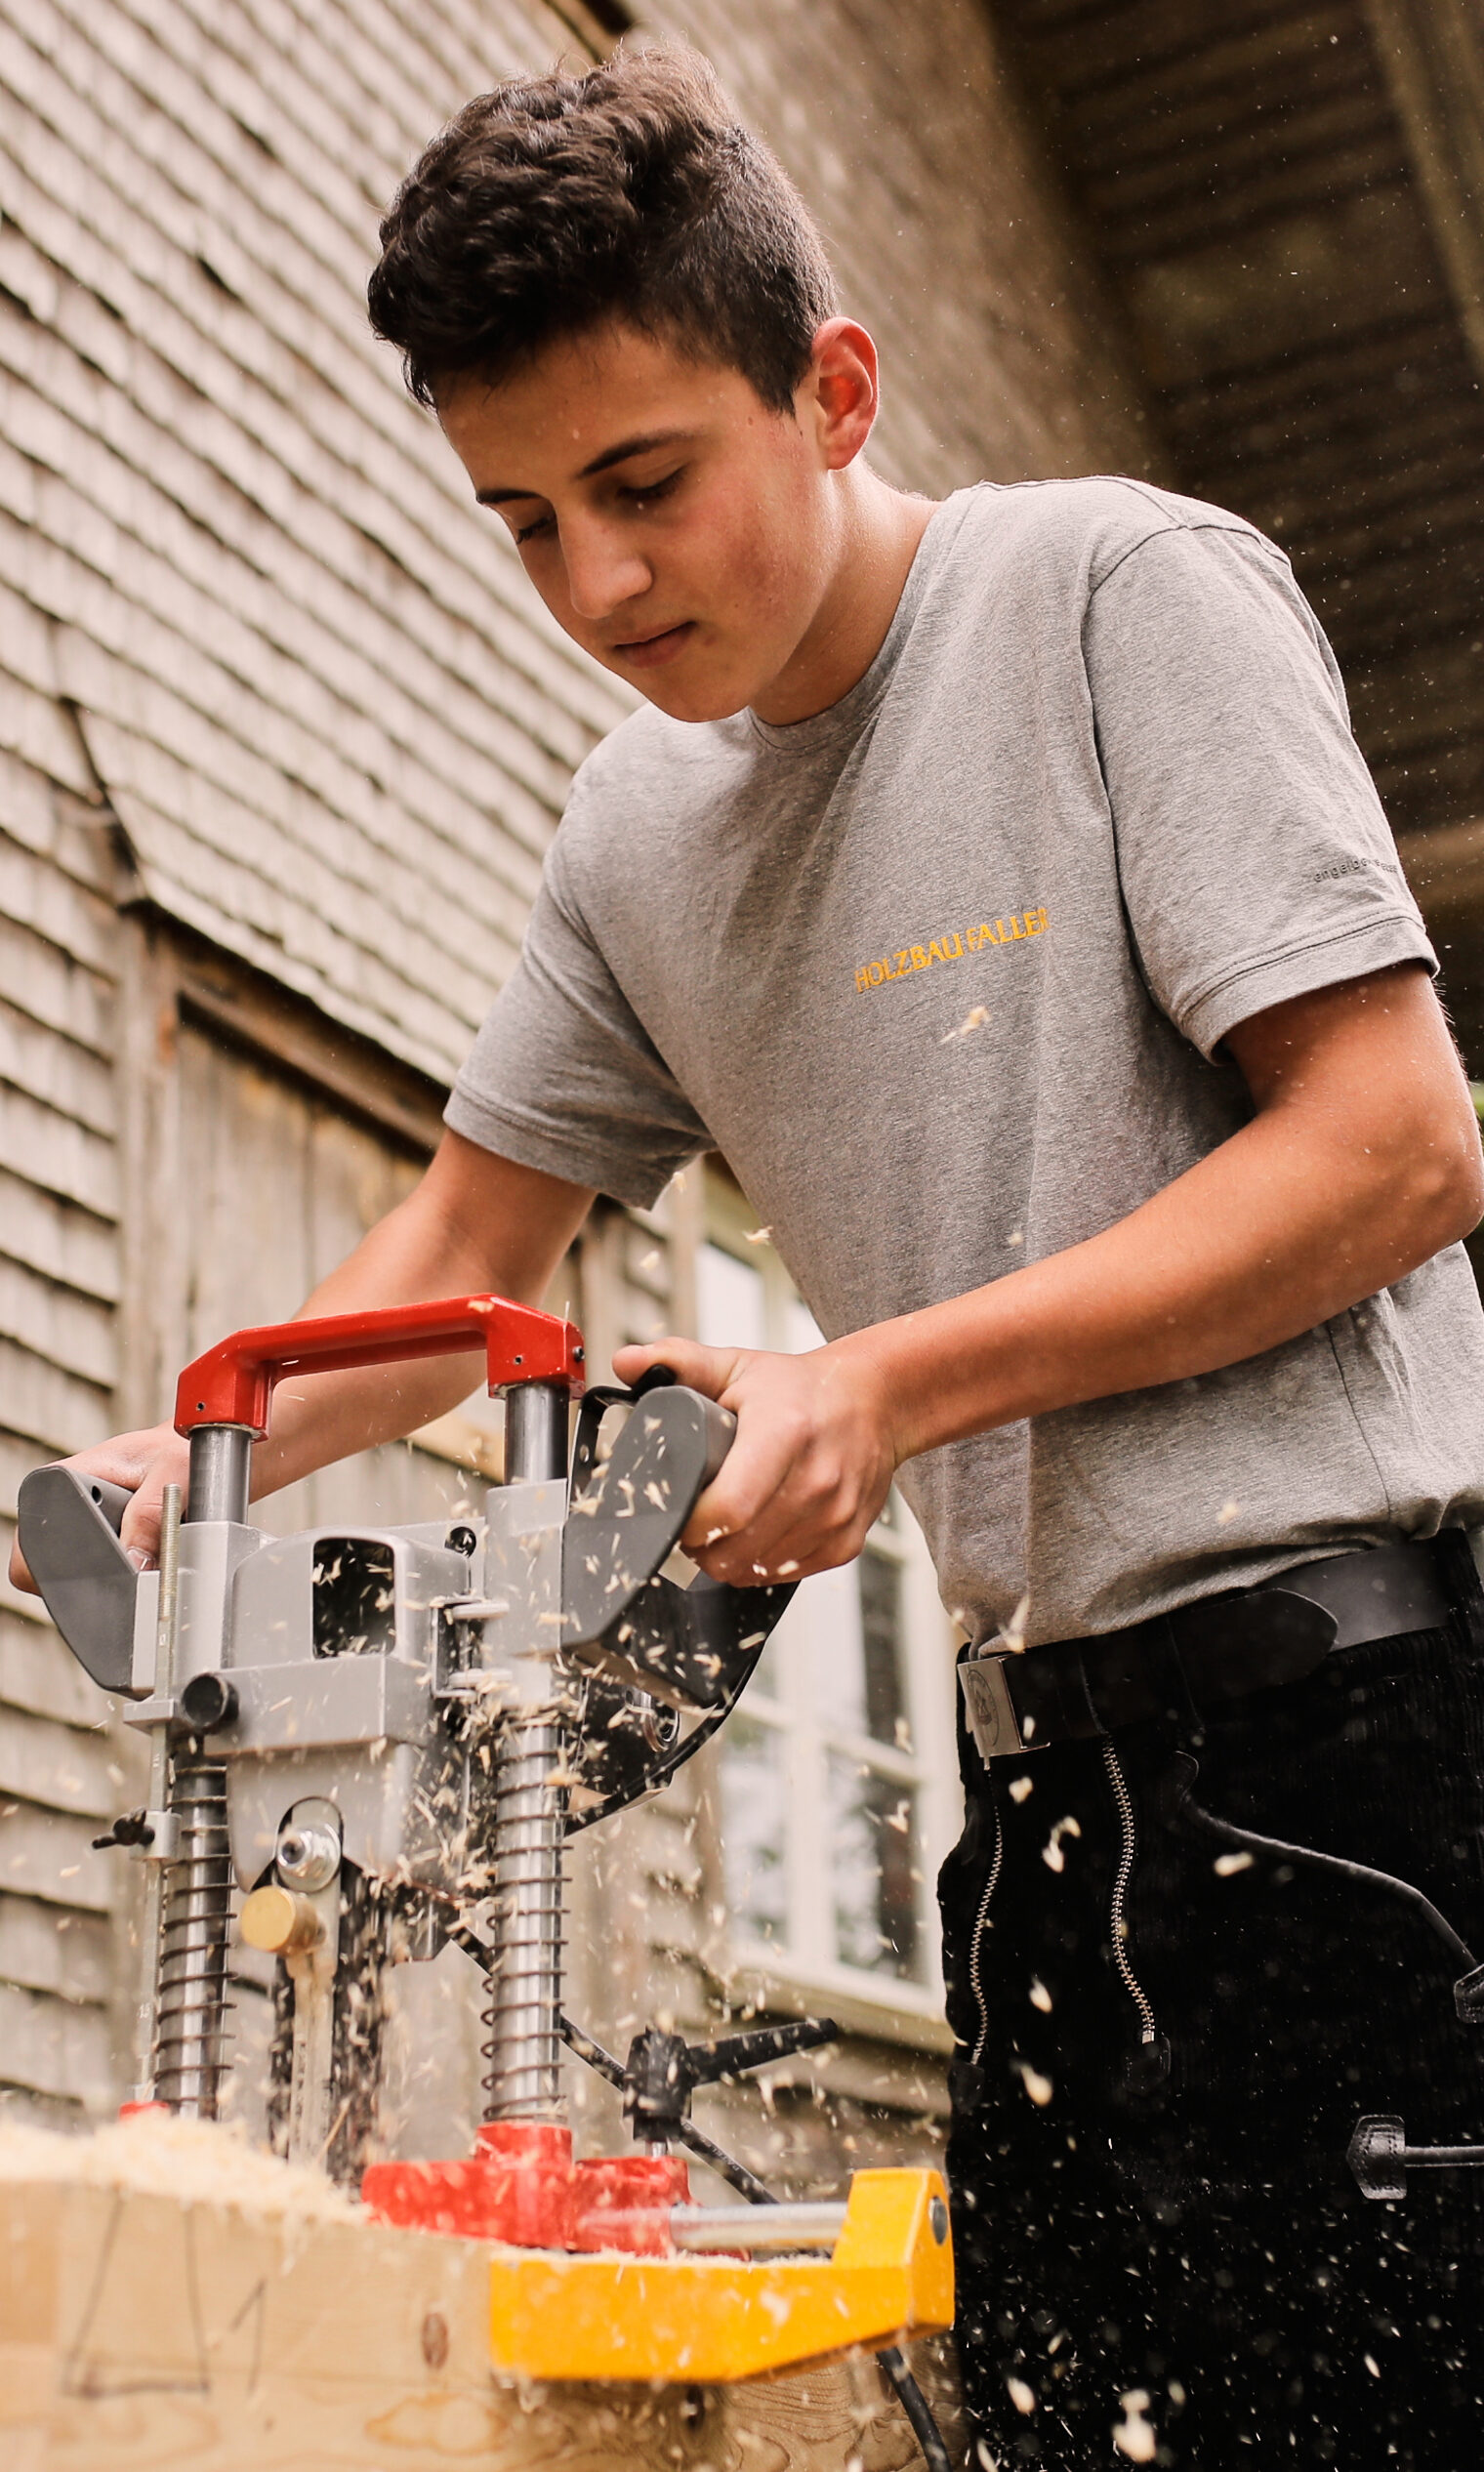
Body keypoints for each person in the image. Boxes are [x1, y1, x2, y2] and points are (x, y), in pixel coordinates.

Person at [17, 46, 1484, 2468]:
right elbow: (467, 1243)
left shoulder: (1121, 596)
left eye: (642, 484)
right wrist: (197, 1457)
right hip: (1042, 1816)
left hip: (1363, 1756)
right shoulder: (640, 835)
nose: (595, 586)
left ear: (831, 389)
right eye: (519, 522)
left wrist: (883, 1380)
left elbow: (1397, 1150)